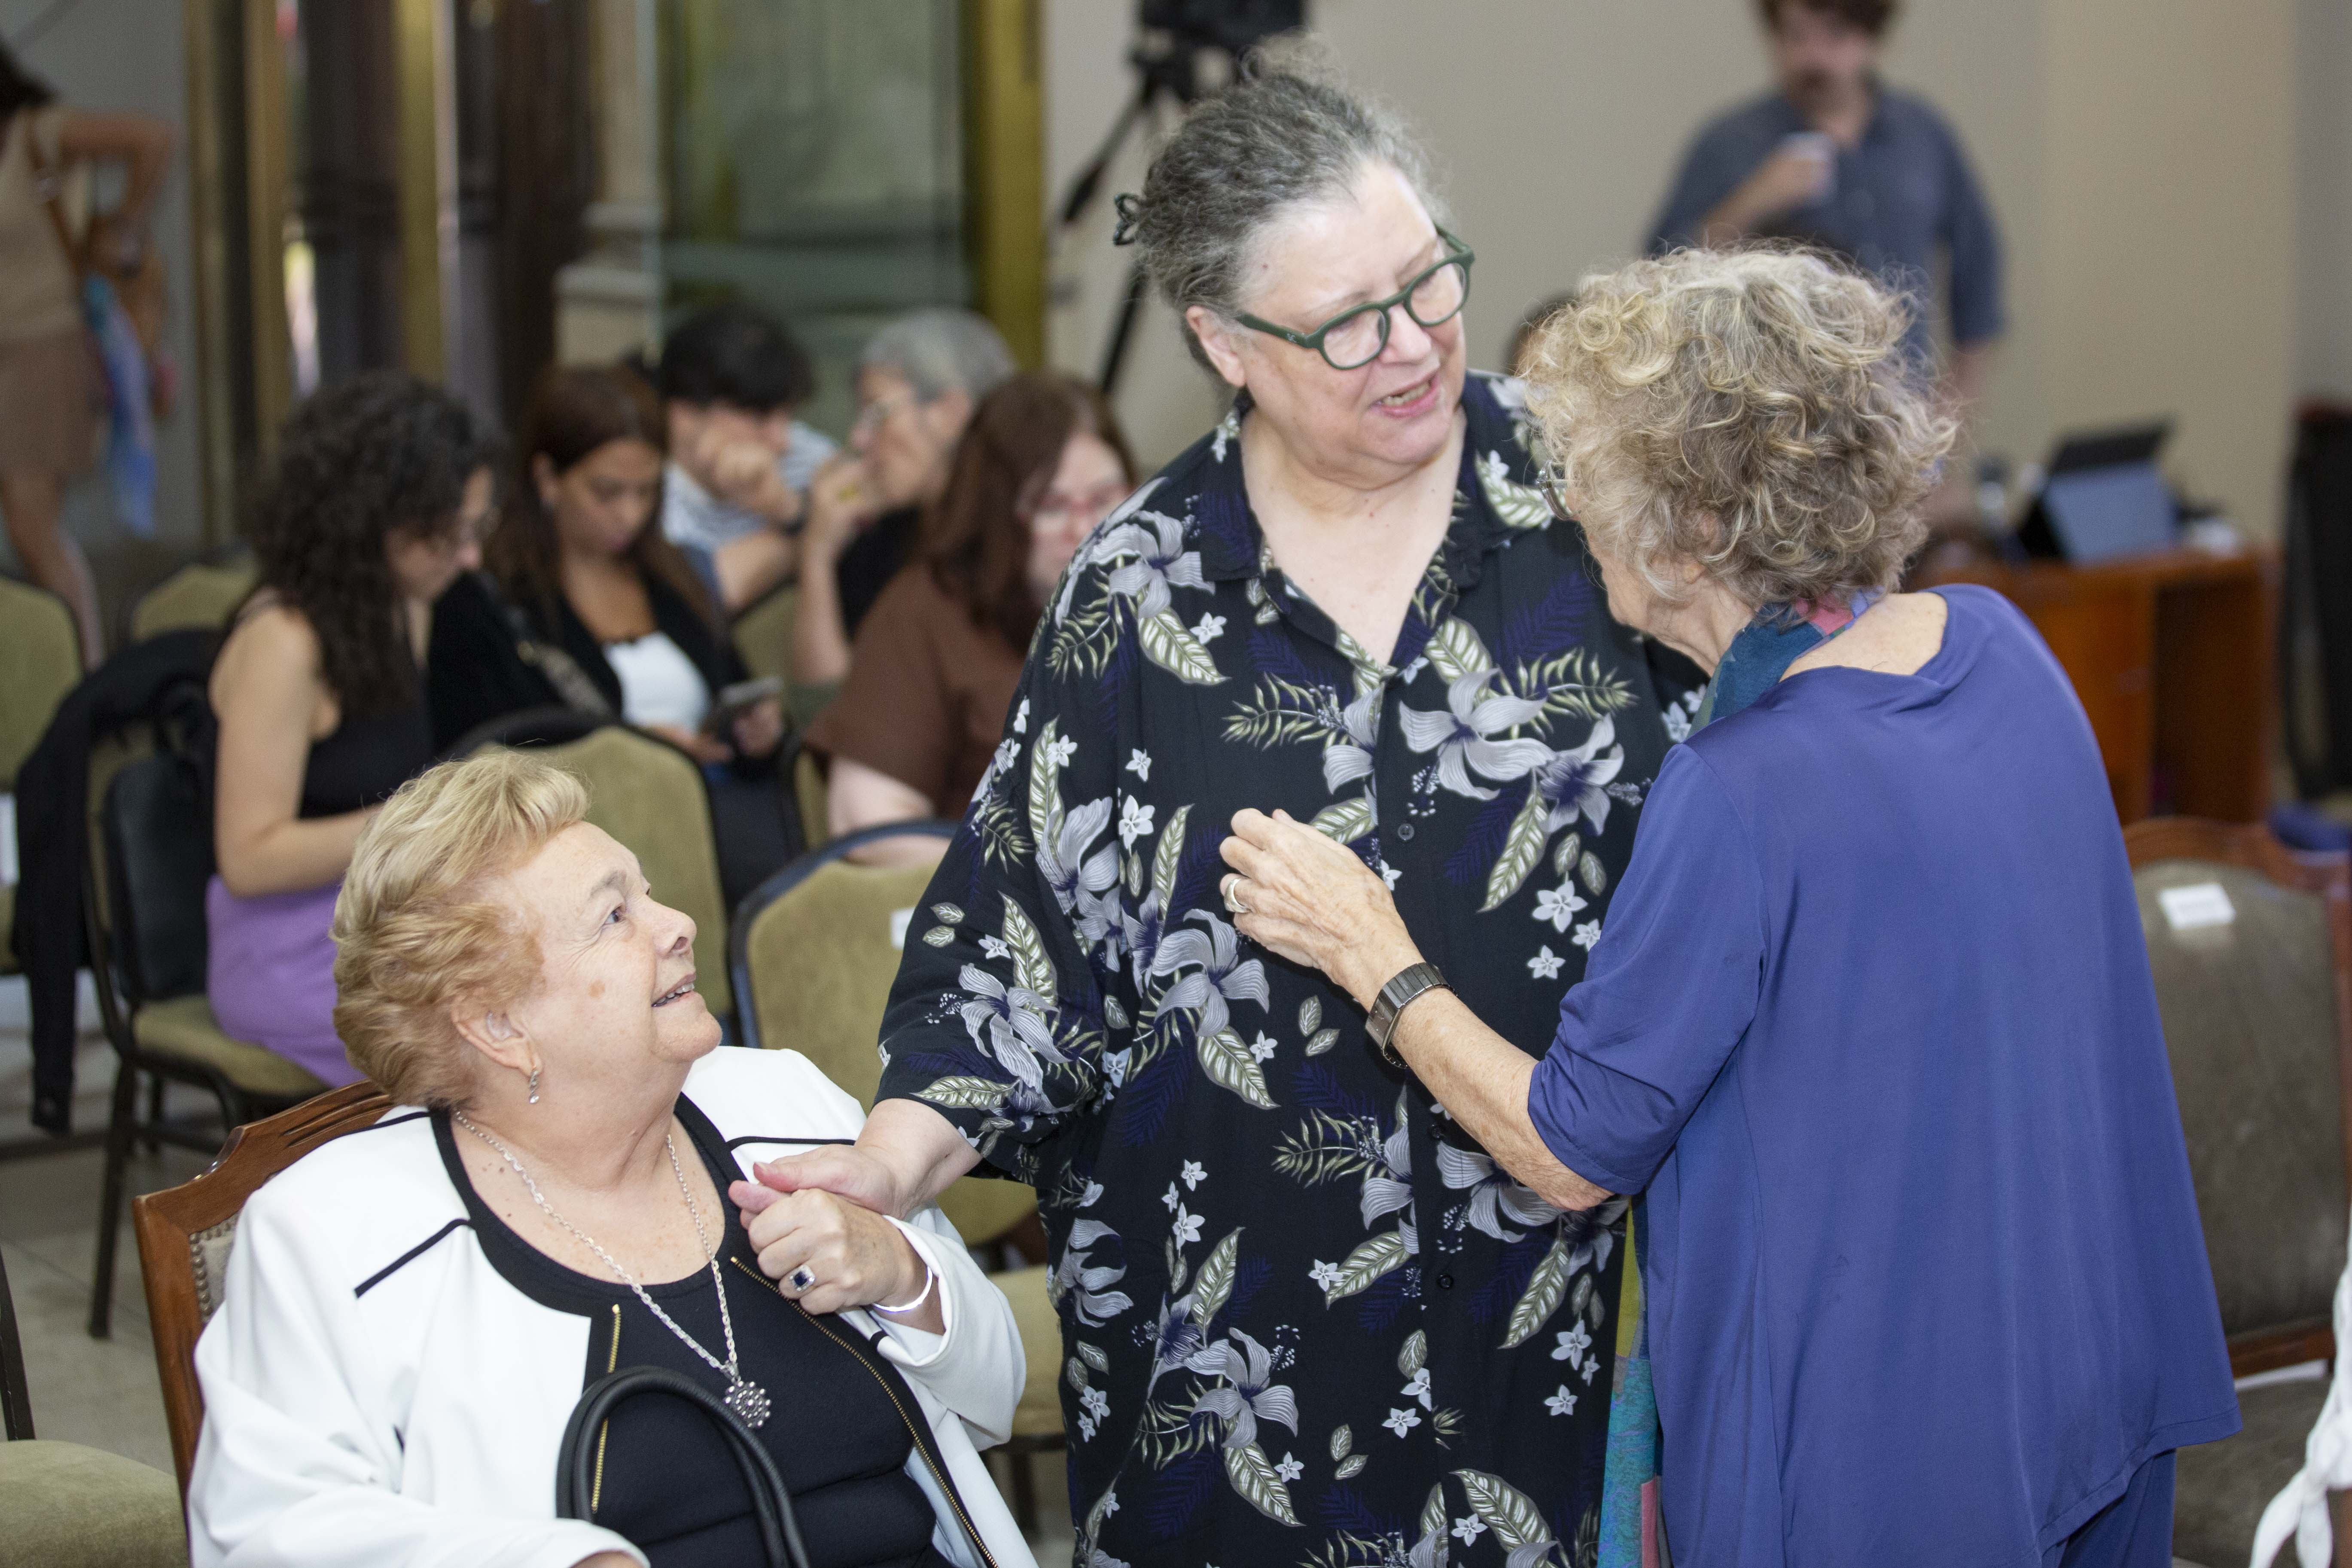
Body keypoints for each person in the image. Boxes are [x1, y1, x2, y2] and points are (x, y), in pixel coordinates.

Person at [747, 72, 1693, 1565]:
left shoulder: (1588, 496)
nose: (1410, 347)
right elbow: (1013, 953)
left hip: (1557, 1334)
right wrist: (886, 1163)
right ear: (1222, 345)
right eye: (1342, 325)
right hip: (1237, 1378)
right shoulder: (1137, 594)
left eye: (1426, 282)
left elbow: (1757, 828)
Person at [1214, 248, 2240, 1567]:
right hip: (2080, 1365)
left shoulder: (1739, 792)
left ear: (1690, 524)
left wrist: (1375, 953)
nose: (1570, 507)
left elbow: (1574, 1146)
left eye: (1589, 474)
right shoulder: (2004, 652)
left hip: (1878, 1451)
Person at [186, 749, 1036, 1568]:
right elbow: (267, 1536)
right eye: (614, 916)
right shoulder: (335, 1233)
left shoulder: (781, 1105)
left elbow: (995, 1394)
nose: (679, 925)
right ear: (497, 1025)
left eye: (649, 892)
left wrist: (906, 1274)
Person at [208, 371, 497, 1087]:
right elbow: (248, 858)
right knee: (487, 1049)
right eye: (448, 535)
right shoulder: (285, 639)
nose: (470, 558)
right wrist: (418, 821)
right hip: (284, 944)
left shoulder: (405, 605)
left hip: (376, 918)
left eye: (474, 530)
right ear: (373, 524)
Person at [428, 365, 792, 909]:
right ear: (548, 478)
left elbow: (730, 692)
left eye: (647, 491)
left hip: (709, 839)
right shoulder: (489, 601)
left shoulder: (669, 578)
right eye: (607, 491)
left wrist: (756, 734)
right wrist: (636, 756)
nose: (629, 513)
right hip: (575, 867)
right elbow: (481, 756)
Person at [1647, 0, 2000, 528]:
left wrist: (1943, 439)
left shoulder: (1923, 135)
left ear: (1873, 37)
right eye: (1796, 36)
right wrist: (1752, 202)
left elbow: (1980, 290)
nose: (1813, 56)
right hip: (1779, 453)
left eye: (1834, 36)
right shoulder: (1730, 145)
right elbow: (1658, 281)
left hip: (1902, 443)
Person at [804, 371, 1136, 865]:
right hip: (1005, 911)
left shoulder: (1175, 589)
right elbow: (869, 827)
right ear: (997, 518)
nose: (1087, 529)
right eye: (1051, 506)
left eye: (1106, 499)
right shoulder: (926, 612)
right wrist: (1051, 886)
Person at [0, 41, 173, 667]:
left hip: (47, 347)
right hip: (10, 354)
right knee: (28, 528)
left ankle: (83, 678)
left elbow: (154, 138)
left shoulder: (40, 132)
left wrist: (125, 220)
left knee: (32, 522)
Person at [790, 309, 1014, 724]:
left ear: (951, 413)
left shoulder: (1020, 539)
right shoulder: (884, 538)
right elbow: (822, 715)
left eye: (877, 412)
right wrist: (817, 553)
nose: (858, 439)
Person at [651, 302, 838, 615]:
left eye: (787, 414)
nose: (783, 440)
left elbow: (863, 496)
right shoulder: (649, 493)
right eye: (759, 416)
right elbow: (700, 596)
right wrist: (813, 533)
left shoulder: (800, 450)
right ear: (684, 416)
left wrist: (787, 508)